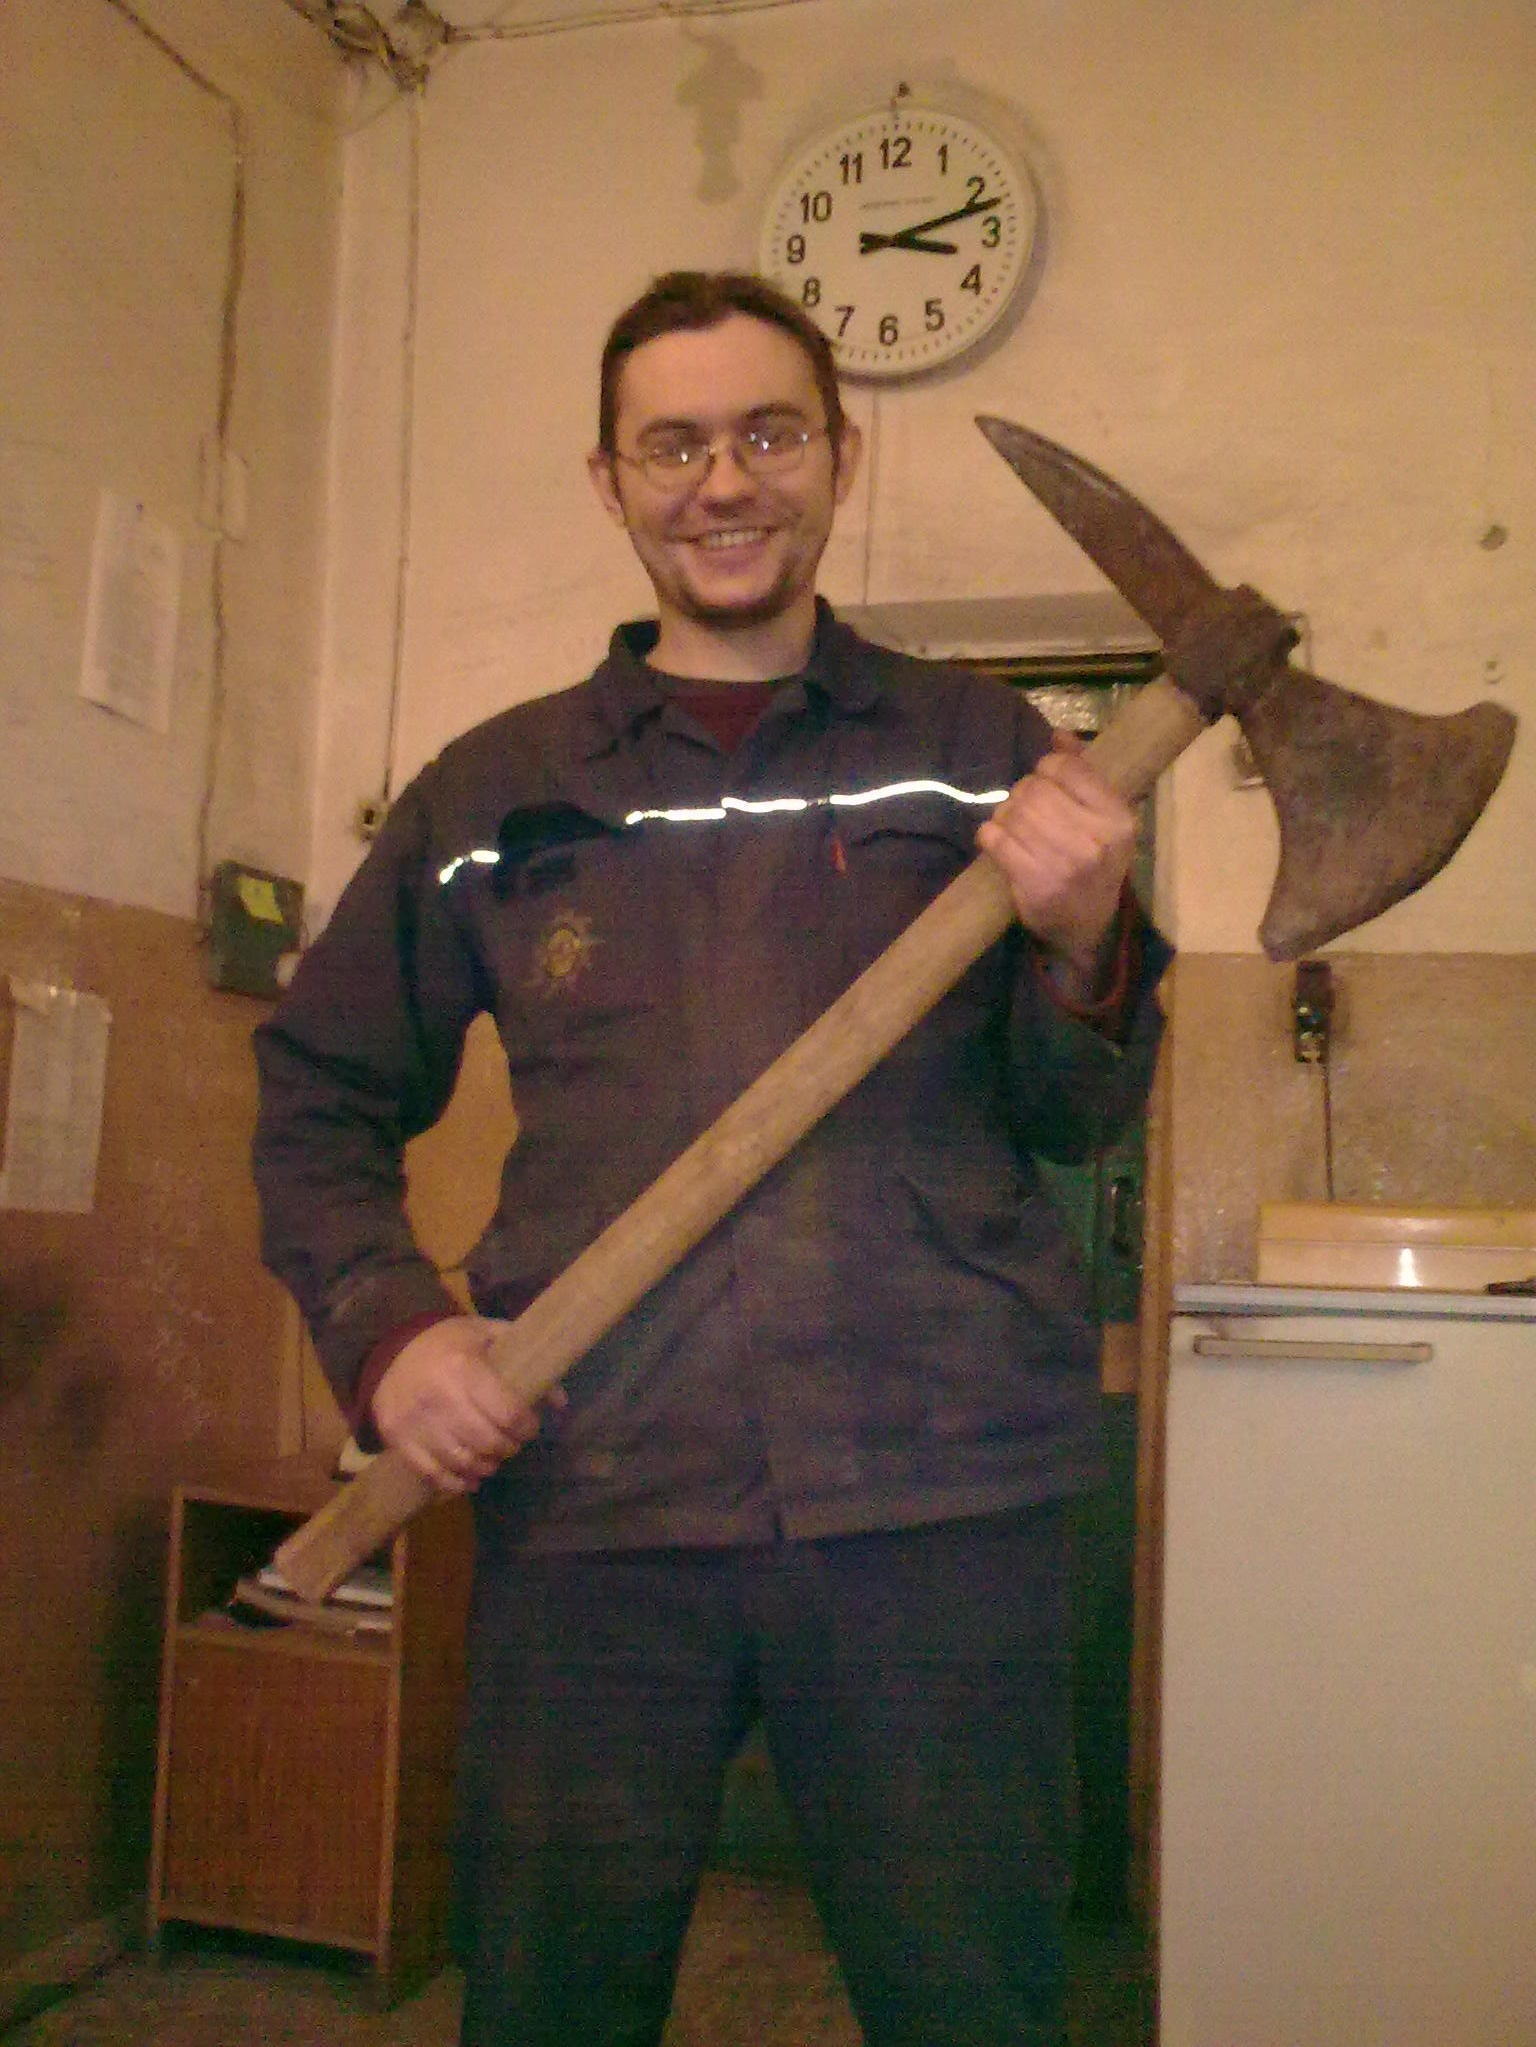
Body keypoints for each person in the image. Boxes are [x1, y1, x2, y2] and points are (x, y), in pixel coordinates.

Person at [252, 269, 1170, 2047]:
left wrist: (1083, 941)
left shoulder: (977, 754)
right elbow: (316, 1095)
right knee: (552, 2006)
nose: (724, 482)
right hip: (596, 1493)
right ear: (610, 482)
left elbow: (1075, 1118)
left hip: (939, 1500)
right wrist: (395, 1334)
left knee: (971, 2007)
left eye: (768, 435)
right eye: (673, 446)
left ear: (840, 457)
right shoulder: (493, 792)